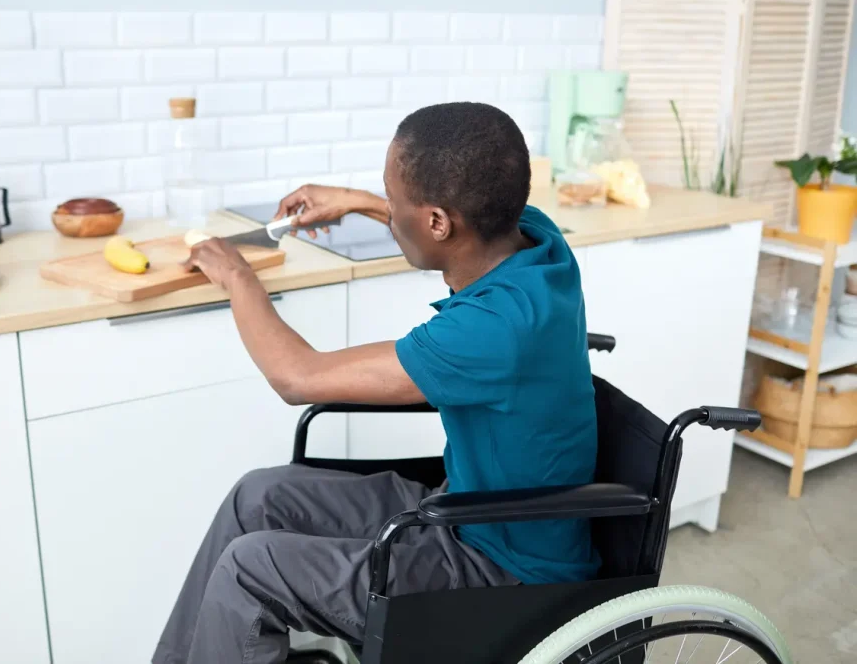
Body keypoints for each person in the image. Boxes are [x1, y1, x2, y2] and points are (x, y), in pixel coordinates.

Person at [152, 102, 600, 664]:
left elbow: (297, 377)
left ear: (438, 221)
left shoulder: (493, 330)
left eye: (392, 198)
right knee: (257, 497)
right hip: (461, 505)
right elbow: (449, 217)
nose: (386, 207)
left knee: (250, 570)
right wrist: (355, 201)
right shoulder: (534, 238)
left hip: (497, 565)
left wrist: (238, 274)